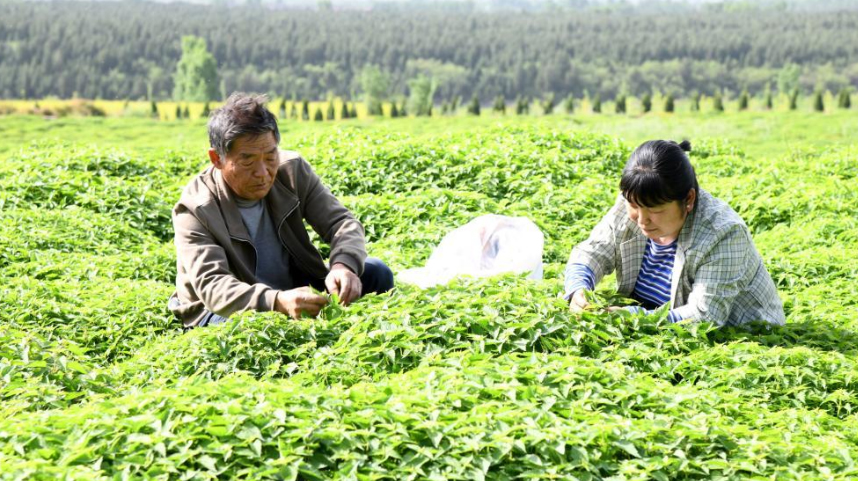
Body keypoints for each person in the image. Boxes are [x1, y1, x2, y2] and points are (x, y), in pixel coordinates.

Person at [169, 93, 394, 328]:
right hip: (222, 308)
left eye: (270, 156)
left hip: (294, 288)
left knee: (377, 273)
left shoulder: (292, 172)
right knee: (249, 330)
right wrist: (277, 301)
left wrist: (343, 266)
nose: (263, 173)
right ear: (217, 158)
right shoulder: (196, 208)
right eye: (247, 161)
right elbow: (214, 288)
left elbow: (341, 222)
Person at [564, 140, 784, 327]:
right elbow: (592, 252)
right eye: (634, 206)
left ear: (688, 199)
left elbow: (705, 317)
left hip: (738, 335)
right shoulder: (635, 200)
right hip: (655, 320)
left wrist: (630, 318)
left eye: (655, 210)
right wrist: (579, 291)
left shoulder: (723, 234)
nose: (642, 220)